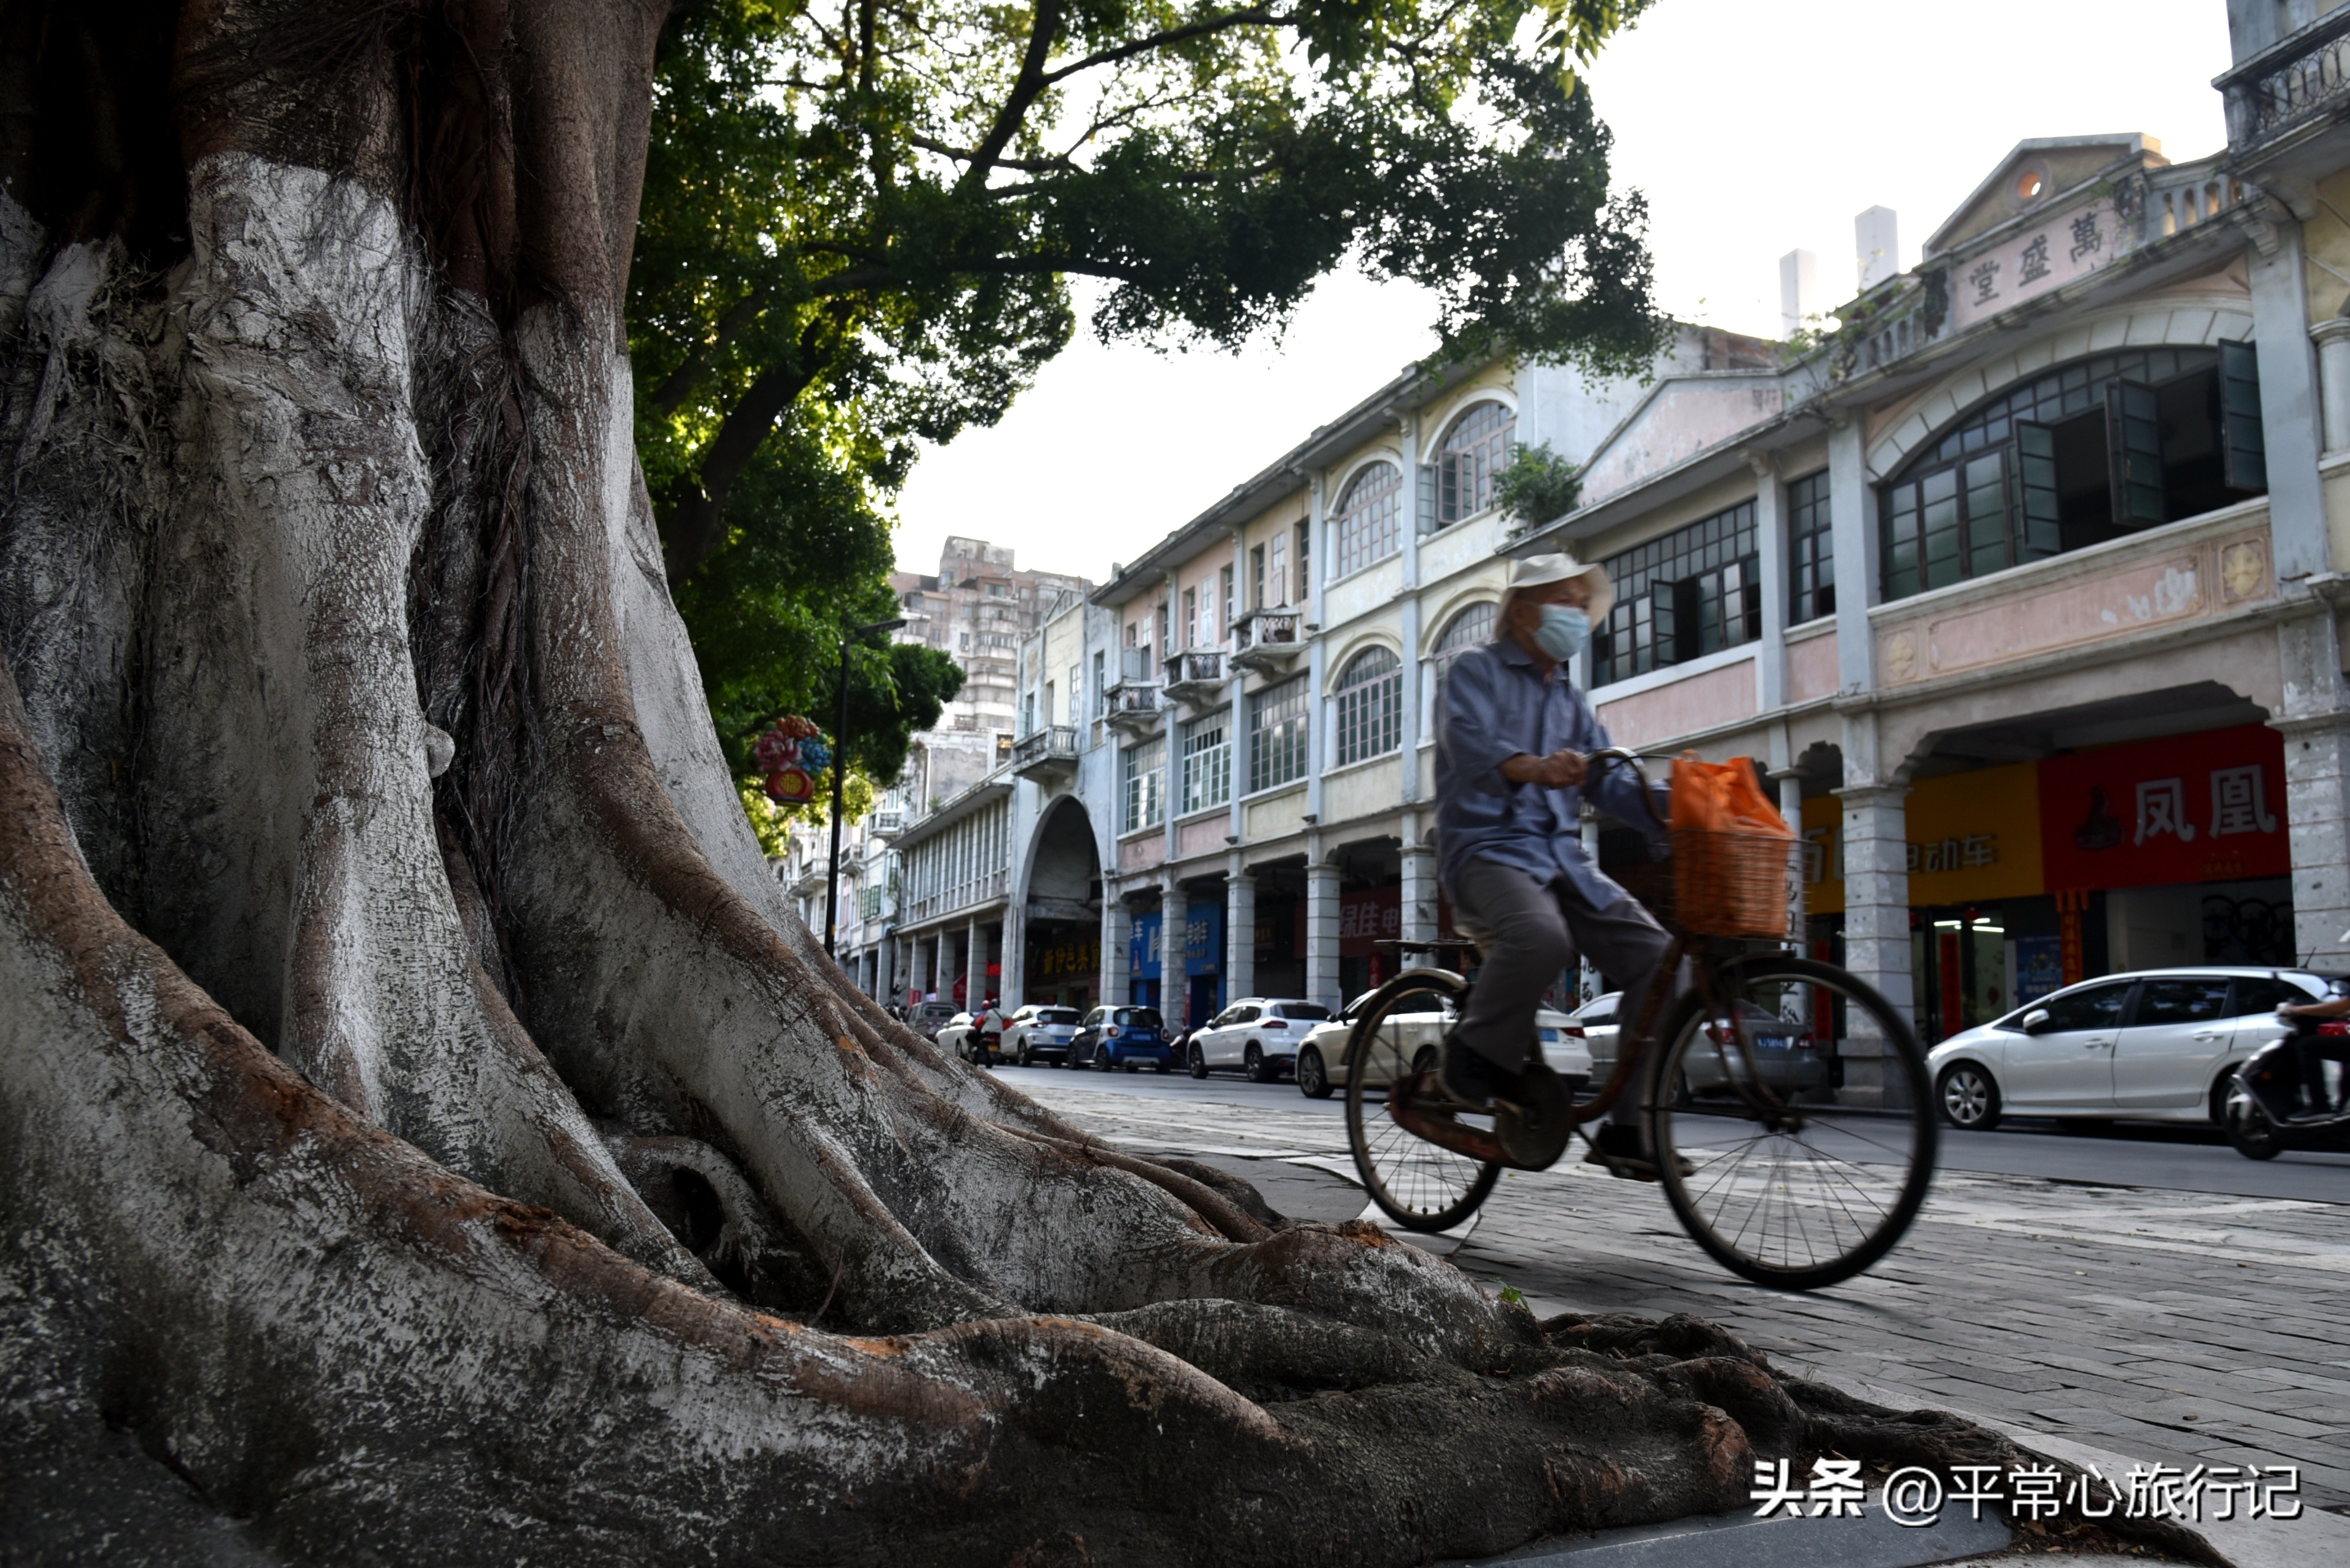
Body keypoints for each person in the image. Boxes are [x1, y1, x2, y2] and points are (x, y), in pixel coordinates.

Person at [1431, 553, 1675, 1177]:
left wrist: (1680, 806)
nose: (1577, 614)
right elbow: (1469, 745)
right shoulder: (1474, 669)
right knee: (1541, 937)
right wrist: (1535, 767)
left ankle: (1631, 1126)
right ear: (1522, 611)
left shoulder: (1570, 699)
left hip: (1562, 860)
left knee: (1660, 958)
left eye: (1580, 605)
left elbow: (1611, 781)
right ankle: (1471, 1054)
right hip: (1486, 850)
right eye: (1564, 602)